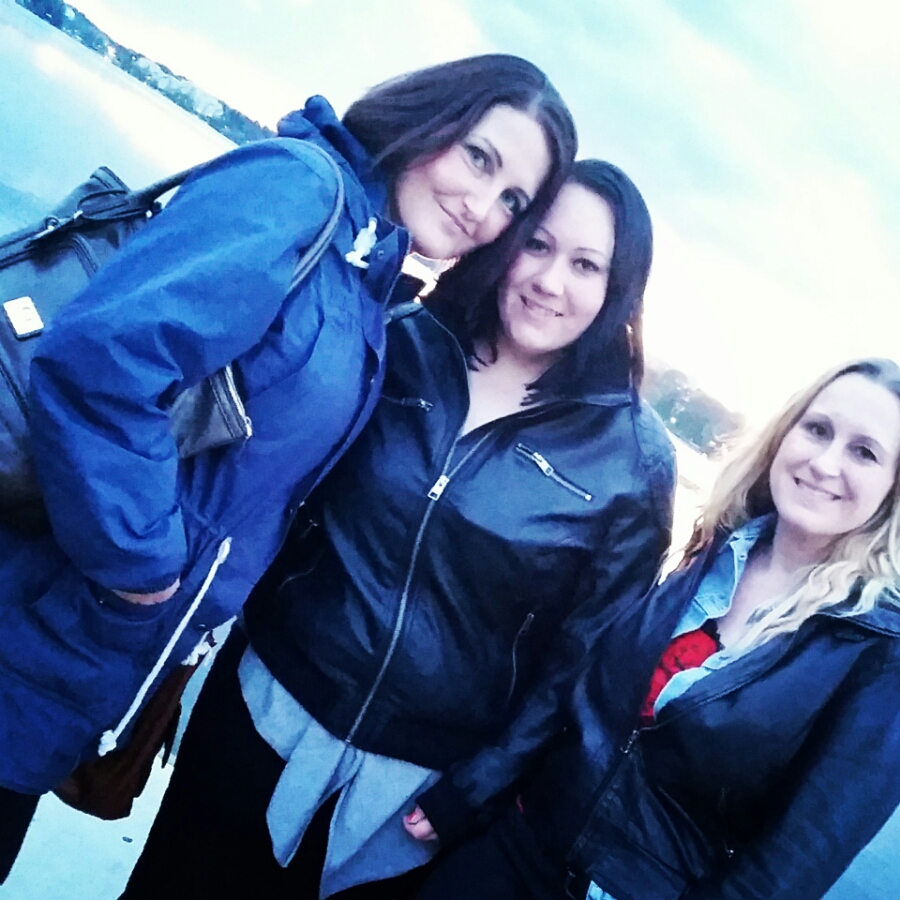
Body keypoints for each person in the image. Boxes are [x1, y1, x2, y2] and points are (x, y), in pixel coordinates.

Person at [0, 53, 578, 883]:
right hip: (39, 610)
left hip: (74, 652)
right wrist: (146, 573)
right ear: (431, 118)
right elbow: (102, 363)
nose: (484, 209)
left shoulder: (364, 276)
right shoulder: (301, 191)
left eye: (514, 201)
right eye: (480, 159)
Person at [119, 159, 676, 900]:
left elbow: (583, 663)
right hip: (261, 708)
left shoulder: (632, 461)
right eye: (537, 244)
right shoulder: (402, 341)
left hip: (408, 796)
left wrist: (478, 787)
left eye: (586, 265)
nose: (550, 281)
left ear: (619, 290)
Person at [409, 358, 900, 900]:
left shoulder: (878, 651)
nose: (825, 463)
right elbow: (584, 684)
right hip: (518, 847)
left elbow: (789, 867)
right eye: (818, 429)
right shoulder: (719, 547)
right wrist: (478, 789)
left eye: (865, 452)